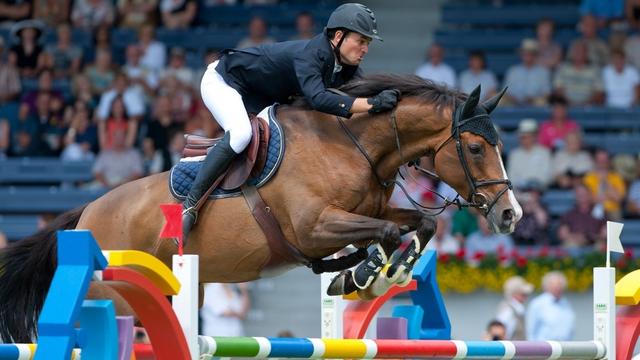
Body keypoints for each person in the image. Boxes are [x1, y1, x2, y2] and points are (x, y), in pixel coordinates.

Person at [181, 3, 400, 241]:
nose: (365, 49)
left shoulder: (345, 65)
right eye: (361, 41)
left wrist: (396, 128)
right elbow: (319, 99)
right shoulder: (311, 54)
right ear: (339, 36)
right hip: (224, 81)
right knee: (241, 134)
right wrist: (372, 104)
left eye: (367, 43)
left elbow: (363, 94)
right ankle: (190, 205)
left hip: (259, 96)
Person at [526, 271, 575, 341]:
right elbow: (530, 331)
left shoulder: (566, 303)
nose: (558, 287)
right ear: (547, 286)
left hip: (565, 348)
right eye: (555, 285)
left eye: (560, 285)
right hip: (544, 349)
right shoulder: (537, 304)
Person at [506, 119, 552, 189]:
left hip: (540, 191)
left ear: (534, 136)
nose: (524, 140)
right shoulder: (514, 154)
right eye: (522, 137)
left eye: (527, 136)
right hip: (519, 192)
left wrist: (535, 186)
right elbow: (511, 177)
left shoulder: (544, 152)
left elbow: (547, 176)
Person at [503, 39, 551, 106]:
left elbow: (547, 93)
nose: (528, 56)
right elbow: (506, 92)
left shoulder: (543, 72)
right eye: (525, 53)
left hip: (536, 104)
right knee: (502, 101)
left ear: (535, 55)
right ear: (521, 54)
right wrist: (515, 99)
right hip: (514, 103)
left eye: (531, 53)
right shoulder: (513, 71)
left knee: (542, 102)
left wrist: (533, 99)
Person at [557, 184, 606, 249]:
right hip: (575, 241)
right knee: (569, 245)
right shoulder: (570, 213)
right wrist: (576, 237)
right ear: (575, 196)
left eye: (584, 194)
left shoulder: (599, 211)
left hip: (595, 241)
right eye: (579, 194)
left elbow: (606, 232)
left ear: (590, 195)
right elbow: (562, 234)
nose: (582, 196)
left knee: (601, 246)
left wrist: (590, 237)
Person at [495, 276, 533, 340]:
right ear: (514, 293)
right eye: (523, 294)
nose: (525, 297)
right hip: (512, 348)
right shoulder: (508, 309)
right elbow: (501, 332)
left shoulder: (517, 308)